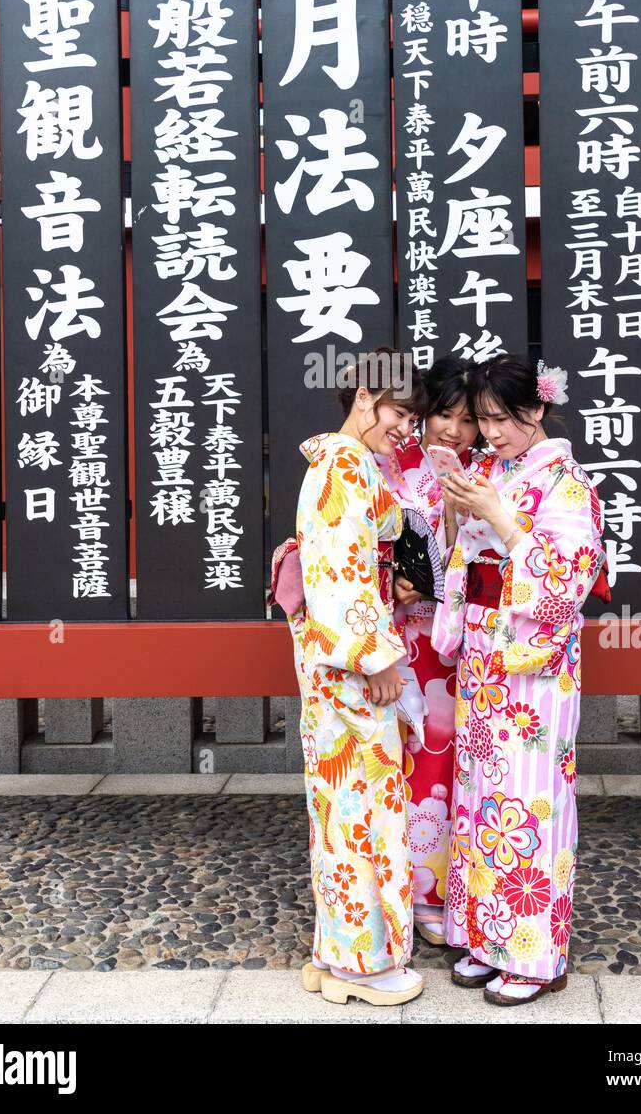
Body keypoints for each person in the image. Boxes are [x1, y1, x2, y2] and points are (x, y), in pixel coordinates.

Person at [434, 355, 606, 1007]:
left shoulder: (564, 484)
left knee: (526, 804)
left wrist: (501, 520)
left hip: (533, 674)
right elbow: (465, 562)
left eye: (502, 419)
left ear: (536, 411)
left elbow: (565, 585)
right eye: (483, 420)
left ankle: (535, 958)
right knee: (481, 804)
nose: (492, 432)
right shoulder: (493, 472)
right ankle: (485, 937)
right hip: (484, 659)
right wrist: (462, 514)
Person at [289, 349, 428, 1007]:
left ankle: (334, 951)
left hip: (337, 662)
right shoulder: (344, 465)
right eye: (402, 413)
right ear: (369, 396)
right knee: (362, 809)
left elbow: (348, 569)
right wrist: (376, 659)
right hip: (351, 668)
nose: (409, 429)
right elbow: (338, 577)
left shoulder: (341, 462)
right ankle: (362, 964)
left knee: (341, 807)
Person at [375, 355, 481, 946]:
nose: (454, 431)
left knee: (451, 760)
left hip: (460, 637)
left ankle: (449, 888)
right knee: (407, 754)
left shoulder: (486, 470)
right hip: (402, 634)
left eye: (468, 421)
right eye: (444, 414)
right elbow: (365, 541)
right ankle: (408, 889)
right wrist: (392, 577)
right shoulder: (394, 465)